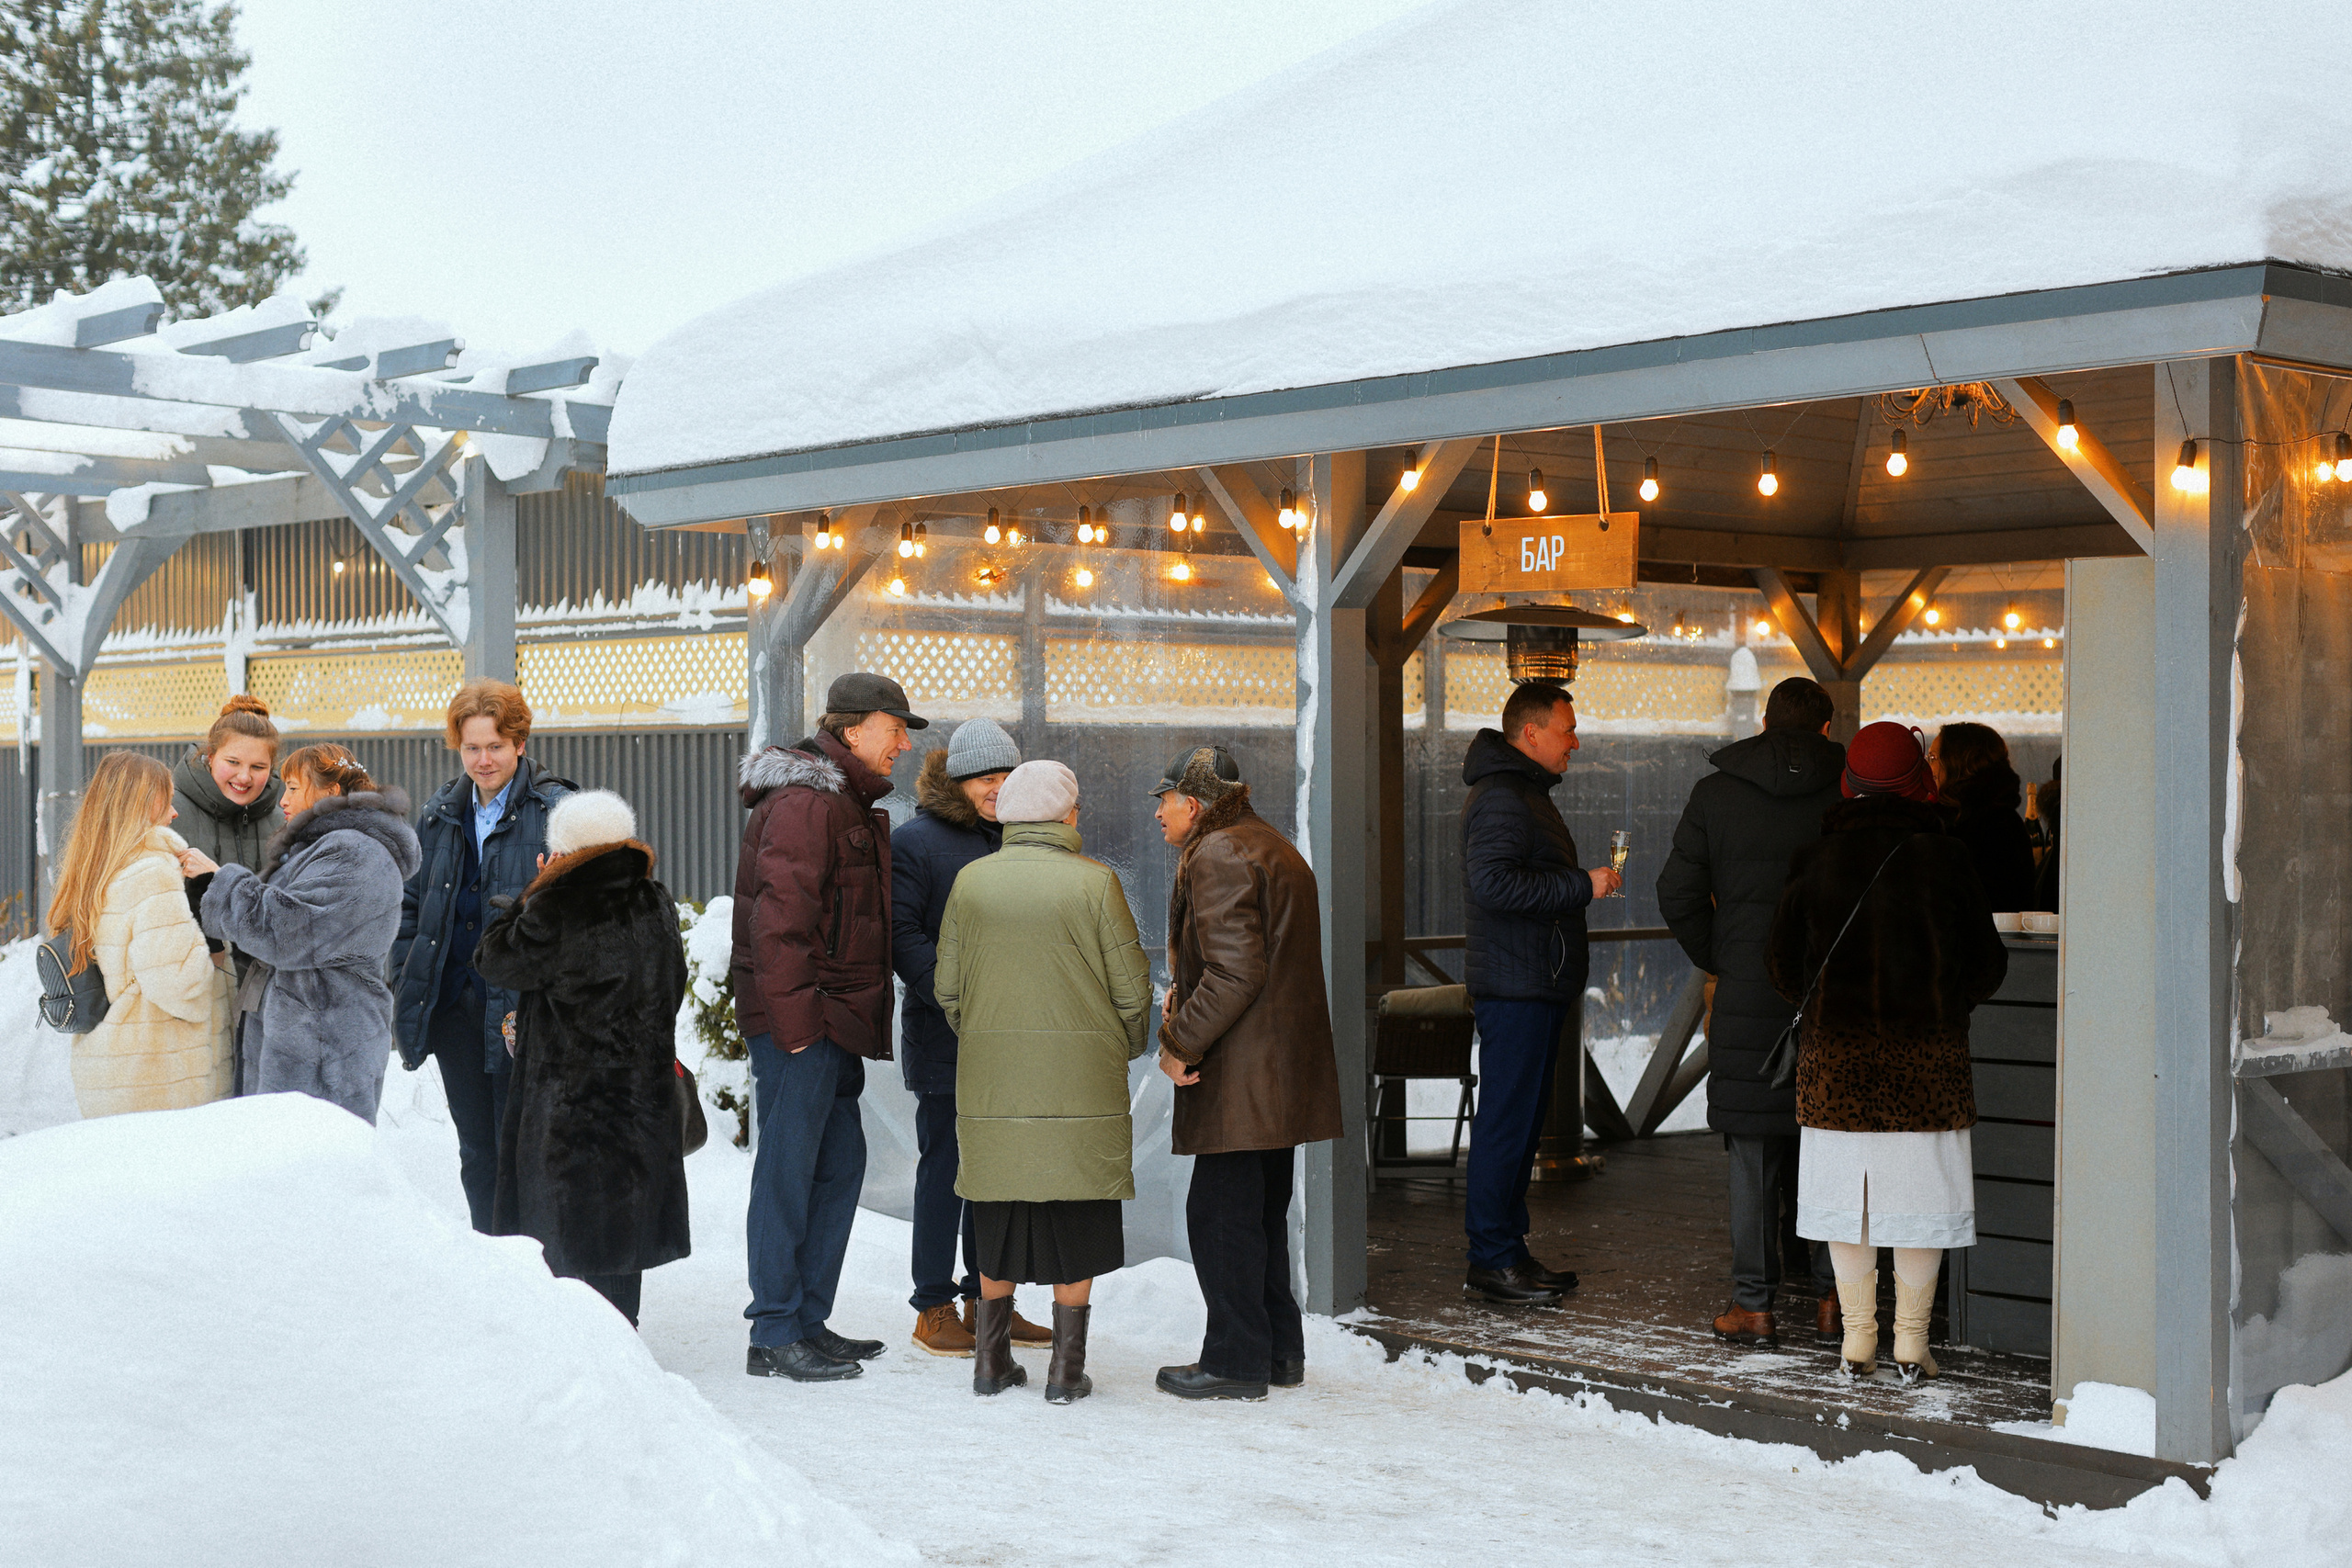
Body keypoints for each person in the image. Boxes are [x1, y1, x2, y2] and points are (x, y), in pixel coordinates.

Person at [1769, 721, 2008, 1382]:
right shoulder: (1947, 857)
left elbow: (1782, 967)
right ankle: (1910, 1342)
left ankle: (1856, 1340)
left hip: (1835, 1068)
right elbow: (1988, 966)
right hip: (1927, 1065)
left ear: (1850, 782)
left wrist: (1828, 1009)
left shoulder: (1812, 858)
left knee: (1847, 1204)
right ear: (1915, 781)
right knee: (1921, 1203)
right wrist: (1943, 1006)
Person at [936, 761, 1152, 1404]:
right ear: (1067, 814)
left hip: (994, 1077)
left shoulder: (971, 882)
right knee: (1078, 1209)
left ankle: (990, 1362)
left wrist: (984, 1036)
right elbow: (1132, 990)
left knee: (996, 1205)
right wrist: (1122, 1046)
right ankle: (1065, 1370)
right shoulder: (1096, 883)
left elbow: (948, 988)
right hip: (1081, 1079)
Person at [734, 672, 921, 1382]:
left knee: (838, 1164)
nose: (903, 743)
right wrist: (798, 1029)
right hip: (802, 1023)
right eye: (894, 728)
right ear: (851, 728)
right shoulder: (807, 803)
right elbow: (777, 924)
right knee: (788, 1171)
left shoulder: (841, 800)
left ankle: (806, 1320)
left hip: (828, 1020)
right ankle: (774, 1331)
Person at [1148, 746, 1344, 1401]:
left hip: (1240, 1075)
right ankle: (1278, 1353)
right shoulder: (1271, 844)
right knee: (1259, 1217)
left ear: (1193, 804)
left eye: (1165, 800)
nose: (1158, 814)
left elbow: (1235, 972)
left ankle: (1235, 1361)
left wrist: (1179, 1042)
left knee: (1220, 1218)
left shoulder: (1218, 852)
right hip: (1278, 1073)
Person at [1657, 676, 1846, 1348]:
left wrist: (1724, 956)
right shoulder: (1846, 792)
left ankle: (1754, 1305)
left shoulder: (1716, 792)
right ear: (1826, 729)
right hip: (1833, 993)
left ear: (1765, 723)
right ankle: (1835, 1299)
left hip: (1749, 993)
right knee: (1832, 1142)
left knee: (1751, 1149)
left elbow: (1675, 891)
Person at [474, 790, 692, 1329]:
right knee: (624, 1226)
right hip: (641, 1096)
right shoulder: (655, 900)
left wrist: (536, 889)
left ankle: (586, 1348)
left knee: (571, 1230)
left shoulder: (559, 905)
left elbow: (494, 958)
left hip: (572, 1106)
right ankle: (625, 1334)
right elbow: (674, 982)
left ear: (564, 849)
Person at [890, 716, 1053, 1357]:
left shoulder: (1021, 839)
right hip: (946, 1034)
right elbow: (902, 935)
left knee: (999, 1173)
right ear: (957, 780)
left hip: (1011, 1036)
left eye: (1007, 775)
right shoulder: (915, 842)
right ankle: (931, 1306)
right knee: (946, 1170)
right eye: (986, 777)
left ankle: (989, 1301)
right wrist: (959, 995)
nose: (998, 787)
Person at [1457, 681, 1622, 1304]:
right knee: (1507, 1124)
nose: (1575, 742)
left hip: (1529, 980)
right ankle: (1491, 1257)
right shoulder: (1504, 797)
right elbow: (1495, 884)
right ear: (1531, 733)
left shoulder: (1520, 793)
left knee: (1518, 1125)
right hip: (1517, 985)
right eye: (1567, 729)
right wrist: (1582, 885)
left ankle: (1507, 1252)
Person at [390, 680, 572, 1232]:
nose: (483, 760)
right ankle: (489, 1260)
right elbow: (411, 905)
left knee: (526, 1152)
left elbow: (584, 921)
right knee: (477, 1152)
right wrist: (405, 975)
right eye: (472, 747)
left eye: (495, 746)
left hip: (523, 1013)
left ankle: (531, 1267)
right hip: (455, 1011)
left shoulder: (557, 812)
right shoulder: (439, 813)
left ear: (519, 743)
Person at [192, 745, 420, 1122]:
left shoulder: (356, 851)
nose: (283, 800)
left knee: (313, 1154)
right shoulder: (323, 847)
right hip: (308, 1036)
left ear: (330, 792)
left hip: (325, 1048)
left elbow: (290, 932)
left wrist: (221, 881)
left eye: (294, 788)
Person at [48, 751, 232, 1117]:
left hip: (111, 1067)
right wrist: (212, 939)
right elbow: (179, 983)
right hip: (160, 1074)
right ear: (145, 802)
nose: (174, 813)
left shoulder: (91, 872)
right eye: (167, 800)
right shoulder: (153, 872)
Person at [170, 694, 284, 1089]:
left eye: (258, 767)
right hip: (193, 983)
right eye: (232, 762)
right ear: (210, 756)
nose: (244, 777)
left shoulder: (280, 816)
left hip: (263, 984)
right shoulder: (172, 807)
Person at [1929, 721, 2035, 913]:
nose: (1929, 768)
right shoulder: (1947, 820)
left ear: (1958, 763)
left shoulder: (1997, 826)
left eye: (1933, 758)